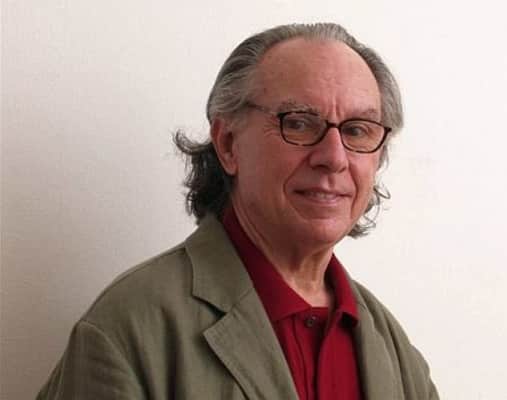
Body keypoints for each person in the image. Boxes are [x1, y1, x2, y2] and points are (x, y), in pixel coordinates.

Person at [37, 23, 439, 399]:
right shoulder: (128, 328)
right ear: (228, 144)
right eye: (299, 123)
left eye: (356, 130)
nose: (334, 157)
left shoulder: (396, 353)